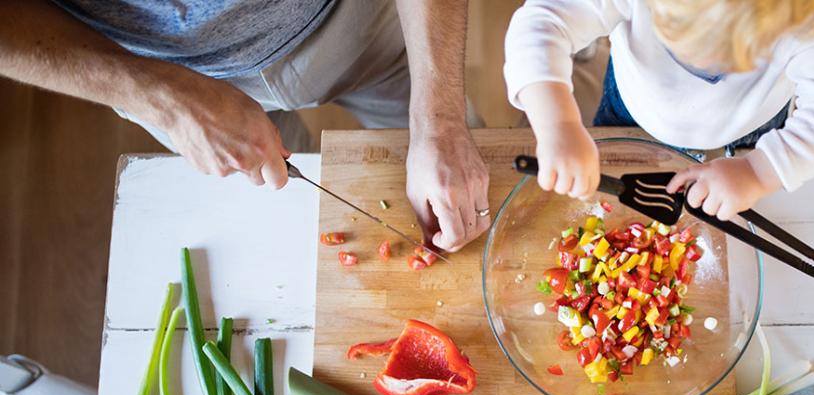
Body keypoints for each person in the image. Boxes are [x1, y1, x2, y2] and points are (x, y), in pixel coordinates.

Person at [0, 0, 490, 252]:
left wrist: (440, 120)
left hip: (353, 20)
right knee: (285, 226)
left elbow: (441, 126)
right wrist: (164, 100)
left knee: (457, 183)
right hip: (159, 72)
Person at [503, 0, 814, 221]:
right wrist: (559, 125)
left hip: (753, 130)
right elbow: (542, 22)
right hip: (632, 110)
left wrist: (759, 172)